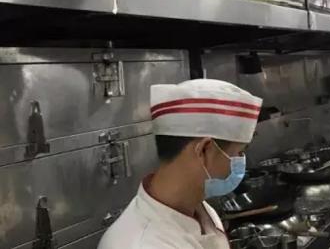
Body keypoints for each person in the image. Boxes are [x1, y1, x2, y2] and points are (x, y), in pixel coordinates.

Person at [98, 79, 263, 249]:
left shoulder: (197, 207)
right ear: (204, 150)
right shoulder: (143, 244)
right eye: (239, 153)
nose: (241, 161)